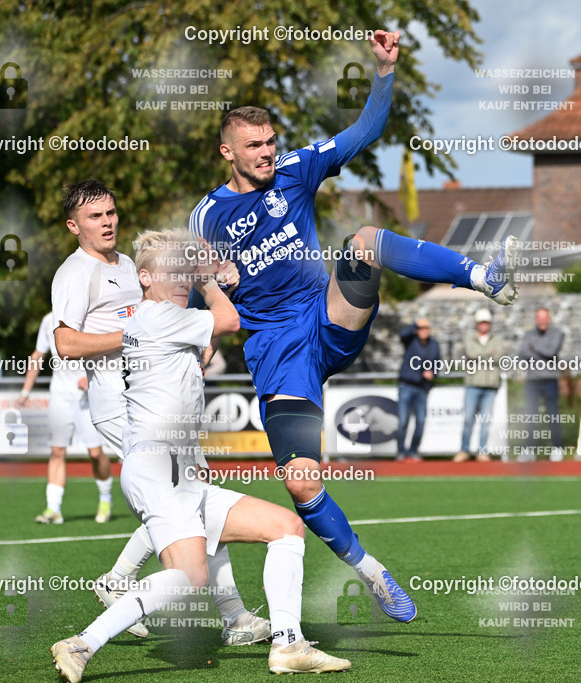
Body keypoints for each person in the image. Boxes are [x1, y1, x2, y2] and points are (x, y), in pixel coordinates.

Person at [189, 29, 520, 623]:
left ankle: (478, 275)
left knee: (363, 242)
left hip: (327, 320)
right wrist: (212, 296)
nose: (267, 152)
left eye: (270, 141)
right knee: (299, 482)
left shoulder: (295, 170)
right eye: (254, 145)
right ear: (227, 153)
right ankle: (373, 574)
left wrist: (383, 70)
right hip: (278, 357)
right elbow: (200, 292)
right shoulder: (207, 217)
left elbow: (364, 133)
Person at [50, 228, 349, 681]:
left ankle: (288, 644)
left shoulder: (165, 321)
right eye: (172, 271)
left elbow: (210, 338)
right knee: (190, 577)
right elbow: (228, 322)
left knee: (285, 528)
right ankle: (81, 643)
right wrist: (210, 279)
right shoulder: (155, 317)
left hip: (179, 470)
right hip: (158, 467)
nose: (181, 279)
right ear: (145, 278)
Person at [52, 180, 267, 645]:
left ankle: (127, 581)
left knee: (192, 496)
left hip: (152, 397)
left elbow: (159, 312)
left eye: (110, 212)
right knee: (189, 499)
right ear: (74, 226)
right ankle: (232, 616)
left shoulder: (128, 263)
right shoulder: (75, 272)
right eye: (95, 216)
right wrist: (140, 338)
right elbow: (65, 343)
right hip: (119, 406)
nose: (107, 221)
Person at [17, 312, 110, 524]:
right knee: (57, 451)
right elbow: (37, 355)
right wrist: (25, 392)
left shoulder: (91, 318)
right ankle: (54, 509)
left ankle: (105, 499)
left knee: (95, 454)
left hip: (86, 397)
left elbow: (107, 353)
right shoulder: (48, 320)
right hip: (59, 395)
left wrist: (92, 378)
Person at [455, 308, 504, 462]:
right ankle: (464, 450)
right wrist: (490, 353)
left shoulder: (497, 339)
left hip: (490, 386)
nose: (484, 325)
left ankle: (482, 451)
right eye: (481, 322)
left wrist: (482, 355)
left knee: (485, 421)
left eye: (486, 322)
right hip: (473, 384)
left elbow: (499, 357)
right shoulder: (470, 338)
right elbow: (471, 353)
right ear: (477, 324)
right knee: (468, 419)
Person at [519, 307, 565, 461]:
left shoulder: (557, 334)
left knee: (553, 415)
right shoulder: (529, 335)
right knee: (531, 416)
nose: (542, 320)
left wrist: (535, 348)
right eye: (540, 317)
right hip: (532, 381)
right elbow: (523, 354)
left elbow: (551, 352)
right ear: (536, 319)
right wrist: (541, 352)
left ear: (549, 319)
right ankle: (529, 450)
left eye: (545, 317)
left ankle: (558, 448)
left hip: (550, 380)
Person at [396, 318, 440, 461]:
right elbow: (402, 334)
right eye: (421, 328)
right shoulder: (410, 340)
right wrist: (416, 323)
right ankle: (401, 451)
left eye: (426, 328)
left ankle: (413, 450)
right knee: (403, 421)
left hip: (422, 388)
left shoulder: (434, 345)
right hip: (406, 385)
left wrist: (432, 372)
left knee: (420, 422)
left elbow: (438, 364)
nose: (423, 331)